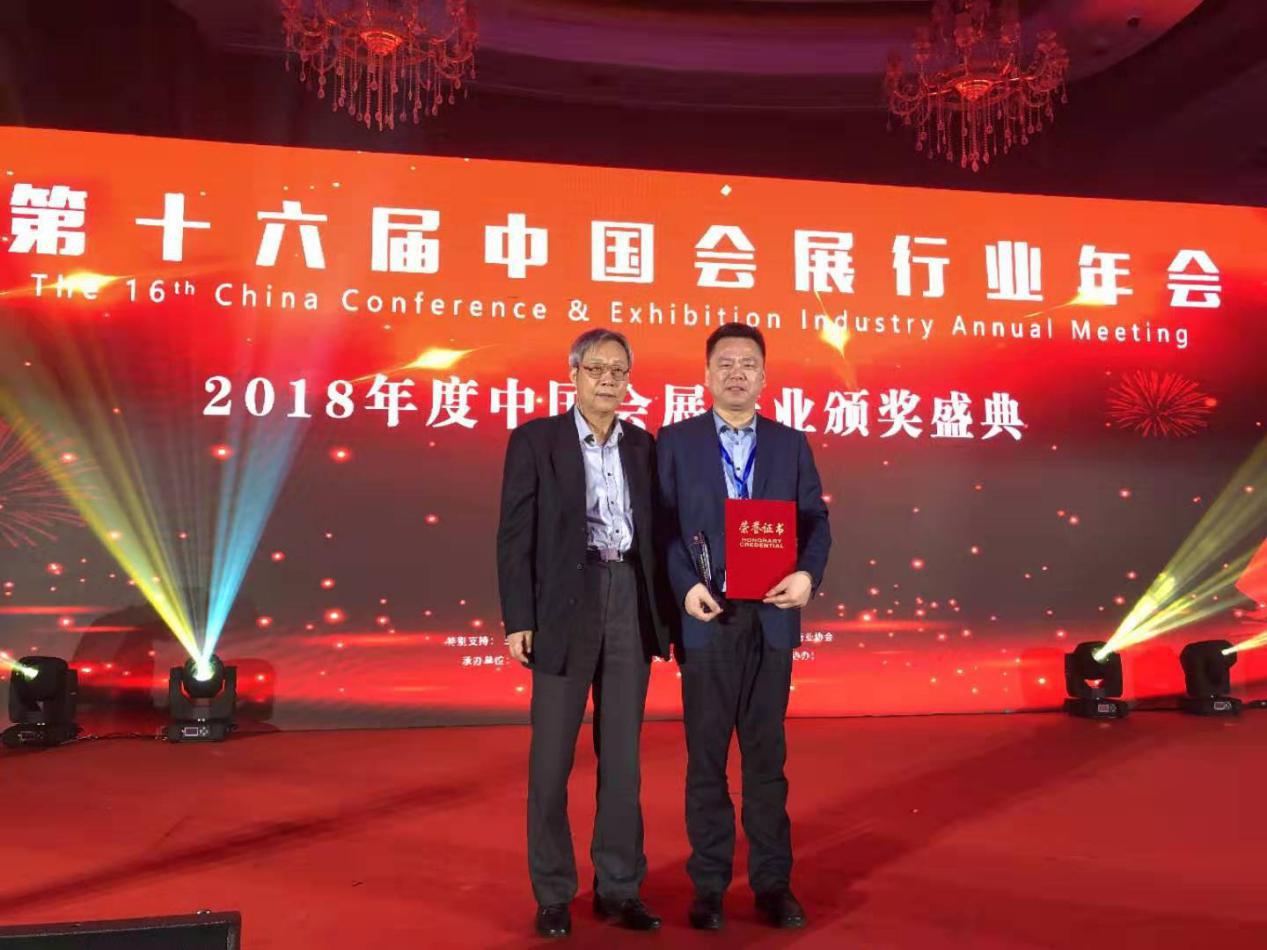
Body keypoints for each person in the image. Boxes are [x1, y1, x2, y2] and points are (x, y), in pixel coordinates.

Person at [656, 323, 831, 931]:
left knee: (766, 758)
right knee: (706, 760)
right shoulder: (676, 441)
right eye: (725, 363)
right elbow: (663, 526)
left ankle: (772, 884)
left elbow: (815, 520)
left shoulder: (790, 444)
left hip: (773, 616)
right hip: (708, 617)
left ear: (763, 376)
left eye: (748, 364)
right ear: (706, 375)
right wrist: (686, 585)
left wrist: (807, 576)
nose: (737, 372)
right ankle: (708, 886)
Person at [497, 328, 670, 938]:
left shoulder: (643, 446)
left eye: (619, 371)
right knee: (551, 761)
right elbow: (514, 536)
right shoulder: (536, 440)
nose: (608, 380)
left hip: (628, 598)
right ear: (572, 375)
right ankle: (553, 891)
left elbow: (659, 535)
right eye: (596, 368)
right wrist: (519, 618)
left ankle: (619, 887)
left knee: (622, 760)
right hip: (563, 607)